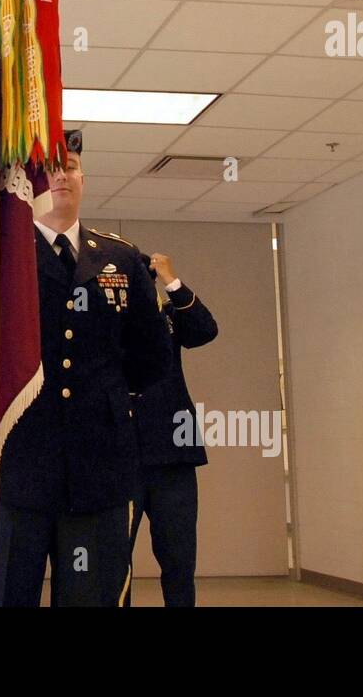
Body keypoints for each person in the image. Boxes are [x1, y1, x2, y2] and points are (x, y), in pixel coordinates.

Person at [0, 129, 174, 606]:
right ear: (32, 183)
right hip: (19, 463)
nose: (62, 174)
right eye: (50, 167)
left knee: (92, 597)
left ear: (83, 177)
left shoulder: (120, 258)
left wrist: (103, 396)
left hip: (100, 465)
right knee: (10, 594)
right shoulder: (1, 255)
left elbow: (153, 358)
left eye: (69, 165)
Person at [128, 252, 217, 607]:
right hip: (122, 457)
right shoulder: (106, 319)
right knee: (113, 561)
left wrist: (171, 279)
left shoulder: (167, 318)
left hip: (174, 456)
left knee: (179, 559)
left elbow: (205, 330)